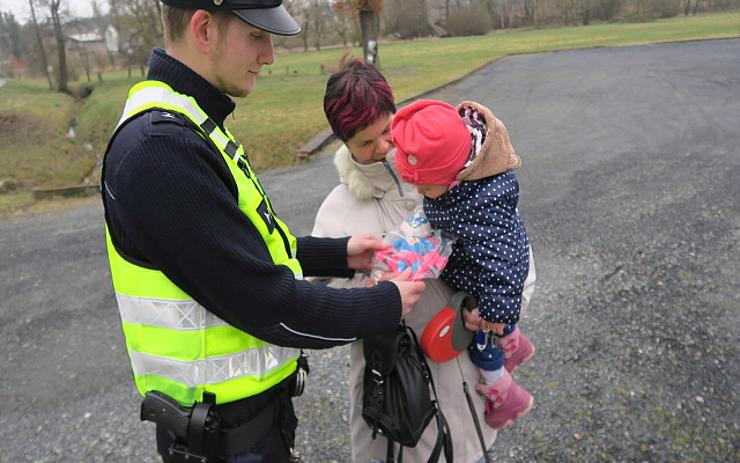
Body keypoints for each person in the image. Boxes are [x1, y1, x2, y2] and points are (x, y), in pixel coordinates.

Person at [100, 2, 425, 462]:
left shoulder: (191, 125)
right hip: (220, 442)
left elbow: (248, 250)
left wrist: (340, 254)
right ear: (205, 29)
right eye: (257, 36)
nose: (270, 55)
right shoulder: (162, 148)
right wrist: (384, 303)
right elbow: (264, 302)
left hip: (242, 429)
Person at [312, 59, 508, 463]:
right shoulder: (338, 213)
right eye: (365, 143)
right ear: (343, 144)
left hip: (464, 382)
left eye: (387, 131)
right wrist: (369, 295)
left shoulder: (447, 172)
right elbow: (318, 308)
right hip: (398, 403)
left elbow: (505, 243)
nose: (383, 148)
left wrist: (499, 309)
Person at [392, 99, 536, 431]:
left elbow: (504, 262)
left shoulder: (481, 207)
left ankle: (506, 395)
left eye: (425, 186)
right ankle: (515, 344)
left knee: (481, 340)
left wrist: (495, 313)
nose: (419, 191)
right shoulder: (462, 185)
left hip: (482, 289)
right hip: (473, 268)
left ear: (454, 174)